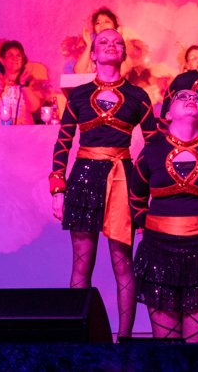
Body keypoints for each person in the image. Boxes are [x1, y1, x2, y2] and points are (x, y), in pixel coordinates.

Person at [49, 28, 158, 339]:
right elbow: (62, 143)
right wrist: (58, 190)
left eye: (117, 42)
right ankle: (78, 336)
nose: (112, 45)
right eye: (104, 42)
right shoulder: (78, 95)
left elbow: (154, 148)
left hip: (123, 178)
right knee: (82, 263)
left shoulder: (138, 96)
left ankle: (125, 337)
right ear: (93, 54)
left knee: (123, 263)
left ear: (123, 54)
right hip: (83, 179)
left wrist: (149, 192)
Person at [129, 89, 198, 342]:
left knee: (197, 350)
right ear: (167, 114)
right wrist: (153, 231)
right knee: (167, 350)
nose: (192, 100)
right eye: (183, 97)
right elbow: (136, 199)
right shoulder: (150, 152)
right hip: (159, 252)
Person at [0, 40, 45, 125]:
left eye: (18, 55)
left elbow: (33, 108)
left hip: (24, 131)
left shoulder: (30, 83)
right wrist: (0, 87)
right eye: (10, 55)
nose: (15, 58)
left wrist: (23, 84)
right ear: (2, 61)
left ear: (23, 61)